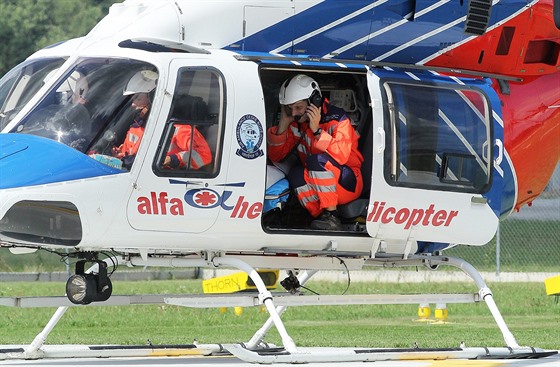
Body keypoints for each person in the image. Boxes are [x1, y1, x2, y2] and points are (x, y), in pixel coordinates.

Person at [267, 74, 363, 230]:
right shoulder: (296, 124)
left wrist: (317, 131)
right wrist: (283, 125)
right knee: (296, 173)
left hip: (347, 182)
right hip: (319, 184)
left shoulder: (338, 119)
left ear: (314, 101)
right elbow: (276, 156)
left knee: (315, 161)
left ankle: (332, 216)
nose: (294, 113)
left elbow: (342, 155)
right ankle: (318, 216)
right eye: (289, 108)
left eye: (298, 107)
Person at [112, 70, 158, 168]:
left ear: (153, 98)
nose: (133, 104)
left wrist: (172, 160)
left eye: (138, 98)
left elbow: (198, 156)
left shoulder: (173, 128)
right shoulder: (136, 125)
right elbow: (128, 152)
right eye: (133, 99)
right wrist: (119, 153)